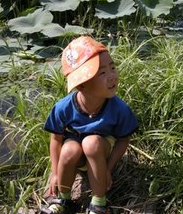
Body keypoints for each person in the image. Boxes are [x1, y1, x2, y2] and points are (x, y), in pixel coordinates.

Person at [42, 36, 138, 214]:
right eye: (102, 73)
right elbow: (56, 138)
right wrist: (55, 172)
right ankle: (63, 199)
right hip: (76, 152)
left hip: (100, 149)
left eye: (112, 67)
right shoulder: (63, 107)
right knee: (69, 149)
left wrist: (108, 168)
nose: (112, 76)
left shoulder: (119, 108)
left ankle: (98, 204)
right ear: (82, 85)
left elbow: (123, 140)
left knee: (91, 143)